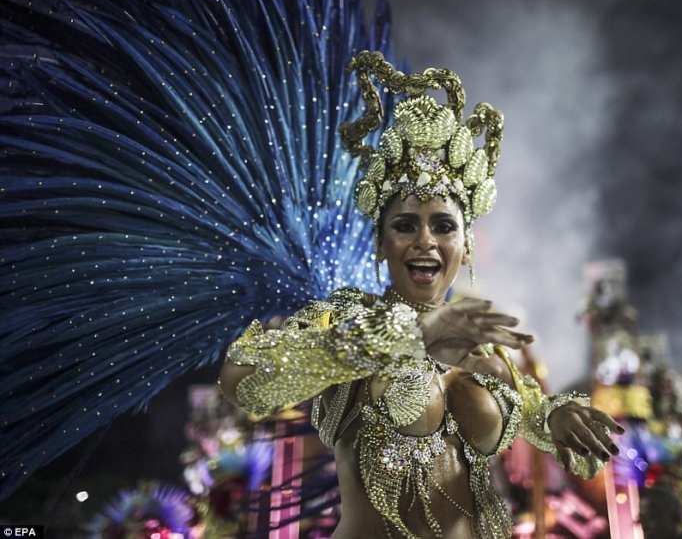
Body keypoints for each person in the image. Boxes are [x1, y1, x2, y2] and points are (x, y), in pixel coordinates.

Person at [219, 51, 624, 539]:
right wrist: (406, 337)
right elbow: (242, 379)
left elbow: (536, 412)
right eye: (405, 225)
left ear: (466, 242)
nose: (426, 241)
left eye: (444, 226)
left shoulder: (485, 346)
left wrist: (559, 418)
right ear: (381, 240)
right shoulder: (346, 320)